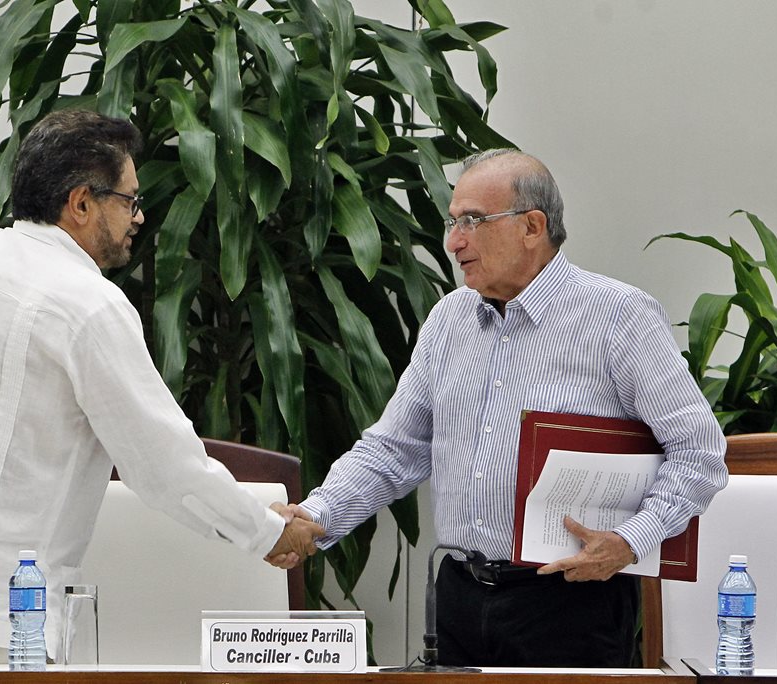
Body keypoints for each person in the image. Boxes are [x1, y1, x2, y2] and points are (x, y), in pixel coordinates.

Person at [0, 109, 323, 664]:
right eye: (129, 200)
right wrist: (265, 532)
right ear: (81, 203)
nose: (137, 218)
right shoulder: (86, 302)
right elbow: (163, 463)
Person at [286, 149, 728, 667]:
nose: (454, 241)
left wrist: (630, 542)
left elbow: (699, 453)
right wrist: (316, 517)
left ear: (532, 226)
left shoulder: (618, 317)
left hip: (570, 600)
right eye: (454, 223)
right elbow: (394, 450)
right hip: (458, 594)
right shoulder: (449, 319)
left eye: (472, 221)